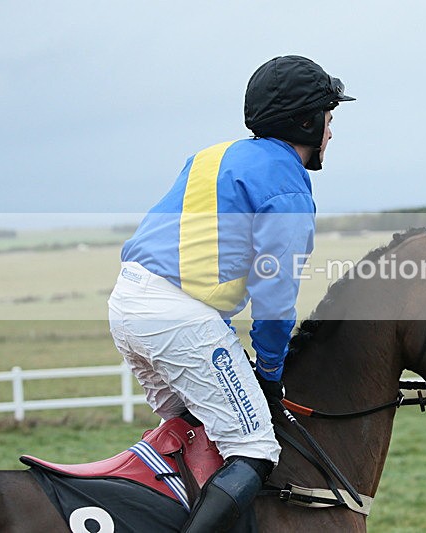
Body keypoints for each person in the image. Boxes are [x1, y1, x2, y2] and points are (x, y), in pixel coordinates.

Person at [107, 55, 354, 532]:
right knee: (255, 446)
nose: (330, 133)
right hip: (177, 319)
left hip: (128, 303)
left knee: (200, 432)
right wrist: (270, 372)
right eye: (329, 119)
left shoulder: (211, 155)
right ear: (307, 121)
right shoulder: (288, 187)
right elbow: (276, 300)